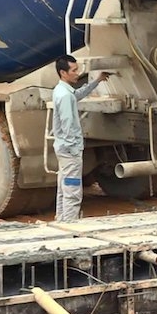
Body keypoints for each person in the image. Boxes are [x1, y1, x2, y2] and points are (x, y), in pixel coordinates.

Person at [51, 54, 110, 221]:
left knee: (64, 187)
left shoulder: (62, 91)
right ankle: (70, 225)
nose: (78, 73)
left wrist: (97, 80)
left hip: (64, 149)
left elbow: (78, 94)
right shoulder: (64, 96)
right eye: (74, 70)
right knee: (72, 190)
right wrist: (74, 148)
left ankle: (61, 220)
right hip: (70, 152)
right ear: (63, 73)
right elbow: (68, 123)